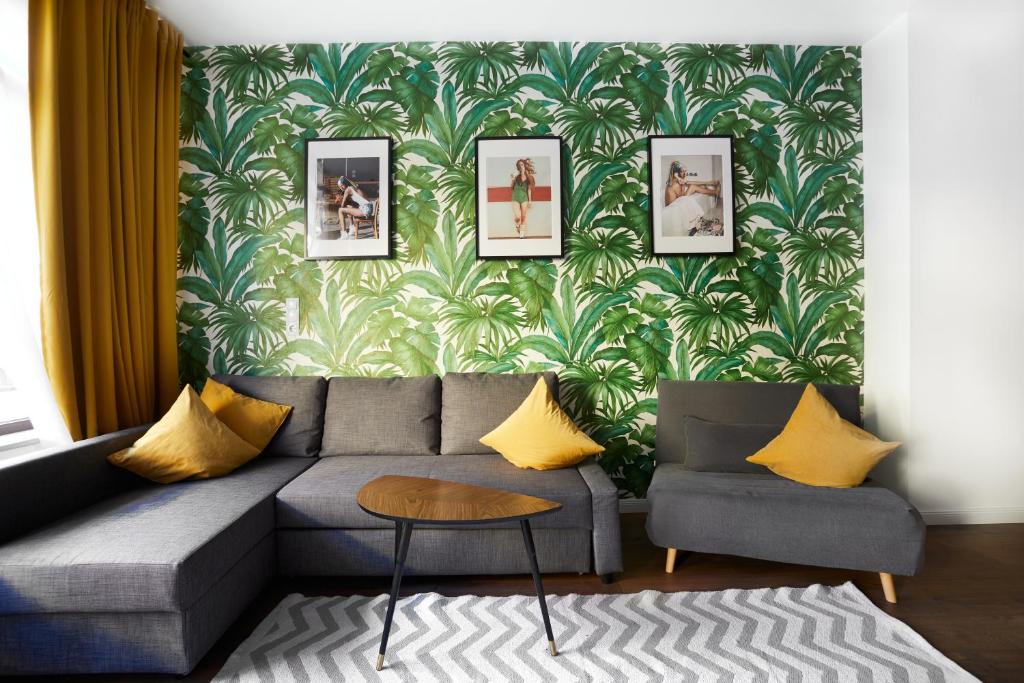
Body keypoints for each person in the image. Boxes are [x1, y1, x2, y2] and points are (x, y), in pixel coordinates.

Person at [662, 161, 721, 236]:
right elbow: (682, 195)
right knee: (692, 189)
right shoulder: (675, 184)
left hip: (677, 203)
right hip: (672, 210)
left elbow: (691, 183)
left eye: (684, 171)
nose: (684, 173)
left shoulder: (678, 180)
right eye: (682, 171)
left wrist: (708, 182)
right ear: (676, 173)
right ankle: (715, 192)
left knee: (694, 186)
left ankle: (713, 191)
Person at [509, 158, 535, 239]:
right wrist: (513, 180)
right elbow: (511, 187)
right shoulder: (516, 177)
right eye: (519, 165)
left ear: (524, 165)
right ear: (518, 167)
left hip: (524, 198)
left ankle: (522, 234)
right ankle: (518, 225)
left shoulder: (529, 177)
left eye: (522, 164)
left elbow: (529, 190)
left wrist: (530, 201)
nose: (521, 166)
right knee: (518, 217)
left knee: (523, 217)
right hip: (515, 197)